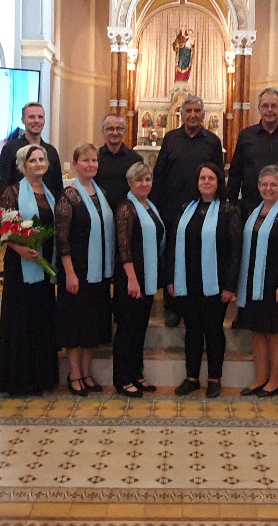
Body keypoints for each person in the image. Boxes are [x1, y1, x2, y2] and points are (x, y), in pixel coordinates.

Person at [165, 162, 242, 398]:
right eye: (202, 178)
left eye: (211, 178)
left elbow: (236, 251)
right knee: (193, 330)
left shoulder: (230, 210)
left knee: (213, 330)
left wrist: (230, 285)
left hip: (217, 284)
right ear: (197, 182)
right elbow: (173, 245)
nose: (206, 182)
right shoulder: (186, 208)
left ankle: (214, 378)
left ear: (219, 182)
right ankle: (192, 377)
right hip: (188, 280)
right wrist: (172, 278)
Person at [152, 94, 224, 327]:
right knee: (173, 256)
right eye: (188, 110)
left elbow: (219, 176)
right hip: (173, 208)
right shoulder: (171, 139)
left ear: (203, 114)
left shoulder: (212, 141)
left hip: (204, 209)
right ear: (181, 113)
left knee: (198, 255)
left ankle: (197, 303)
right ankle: (173, 307)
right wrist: (157, 206)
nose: (193, 115)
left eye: (197, 111)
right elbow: (160, 174)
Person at [0, 144, 58, 396]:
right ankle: (19, 380)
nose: (39, 164)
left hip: (43, 265)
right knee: (21, 320)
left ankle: (40, 378)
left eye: (42, 159)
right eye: (33, 160)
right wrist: (19, 248)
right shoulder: (13, 192)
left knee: (41, 320)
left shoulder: (49, 194)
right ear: (23, 165)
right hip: (20, 266)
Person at [55, 143, 115, 395]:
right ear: (75, 164)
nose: (91, 165)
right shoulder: (68, 196)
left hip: (98, 271)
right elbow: (62, 239)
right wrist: (69, 273)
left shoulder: (101, 193)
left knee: (92, 325)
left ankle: (87, 372)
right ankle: (74, 374)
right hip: (77, 270)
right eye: (86, 160)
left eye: (94, 160)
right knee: (75, 324)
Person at [236, 165, 278, 398]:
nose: (268, 188)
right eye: (264, 184)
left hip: (275, 282)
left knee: (276, 332)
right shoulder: (254, 212)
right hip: (253, 281)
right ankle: (260, 377)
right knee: (258, 331)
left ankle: (275, 380)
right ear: (258, 186)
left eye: (273, 184)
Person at [112, 162, 165, 397]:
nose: (144, 184)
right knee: (127, 329)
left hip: (147, 276)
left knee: (140, 328)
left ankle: (136, 373)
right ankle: (122, 379)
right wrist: (132, 279)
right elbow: (123, 247)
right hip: (130, 278)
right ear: (129, 183)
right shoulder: (126, 208)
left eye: (148, 180)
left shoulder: (149, 206)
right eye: (139, 180)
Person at [228, 87, 278, 217]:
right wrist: (232, 206)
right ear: (259, 108)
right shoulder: (246, 136)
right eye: (265, 106)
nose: (269, 110)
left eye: (274, 106)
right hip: (250, 207)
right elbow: (235, 174)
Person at [0, 102, 63, 198]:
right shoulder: (10, 149)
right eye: (32, 117)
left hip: (49, 205)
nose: (36, 121)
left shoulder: (51, 151)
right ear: (23, 120)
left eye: (40, 117)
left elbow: (58, 188)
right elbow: (5, 186)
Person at [95, 114, 142, 211]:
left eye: (119, 129)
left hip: (126, 213)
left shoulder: (135, 159)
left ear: (125, 131)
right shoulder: (95, 157)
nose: (115, 132)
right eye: (110, 129)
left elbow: (139, 189)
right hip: (99, 211)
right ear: (103, 131)